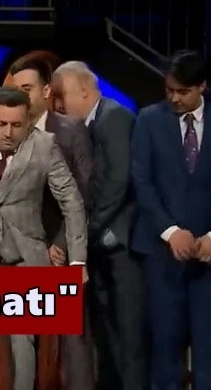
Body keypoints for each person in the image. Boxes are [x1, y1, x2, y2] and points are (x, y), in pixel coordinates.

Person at [131, 50, 211, 389]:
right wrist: (170, 231)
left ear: (202, 86)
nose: (174, 98)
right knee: (164, 352)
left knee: (205, 353)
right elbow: (141, 181)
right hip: (161, 256)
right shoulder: (148, 120)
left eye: (182, 91)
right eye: (169, 89)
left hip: (208, 258)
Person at [0, 86, 87, 390]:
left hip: (25, 255)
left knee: (22, 340)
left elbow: (72, 202)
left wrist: (78, 260)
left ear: (28, 120)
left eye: (16, 125)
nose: (8, 132)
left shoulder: (45, 146)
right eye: (2, 123)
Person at [53, 60, 144, 390]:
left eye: (62, 96)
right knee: (106, 336)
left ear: (84, 91)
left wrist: (85, 228)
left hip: (120, 245)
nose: (59, 105)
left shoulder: (114, 117)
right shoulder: (88, 125)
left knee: (128, 336)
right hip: (100, 248)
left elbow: (116, 181)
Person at [7, 58, 95, 390]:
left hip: (65, 248)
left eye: (26, 89)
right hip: (23, 249)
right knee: (22, 340)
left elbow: (84, 193)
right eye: (15, 89)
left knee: (71, 340)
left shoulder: (71, 131)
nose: (20, 95)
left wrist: (60, 245)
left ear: (46, 90)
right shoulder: (9, 132)